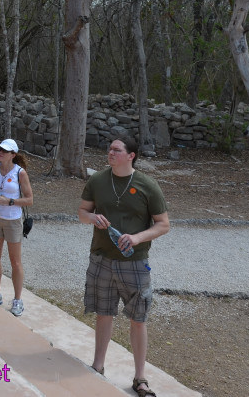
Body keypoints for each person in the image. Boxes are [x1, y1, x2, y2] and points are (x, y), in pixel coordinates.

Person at [77, 137, 170, 397]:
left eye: (117, 150)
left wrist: (137, 237)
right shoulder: (97, 181)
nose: (110, 153)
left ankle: (140, 378)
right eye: (109, 149)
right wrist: (92, 217)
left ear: (131, 155)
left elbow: (163, 224)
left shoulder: (147, 185)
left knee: (138, 320)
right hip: (101, 259)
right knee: (103, 314)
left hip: (135, 263)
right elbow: (82, 212)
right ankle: (98, 366)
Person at [0, 139, 33, 316]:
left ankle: (18, 300)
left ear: (13, 155)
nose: (0, 152)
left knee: (15, 261)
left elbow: (29, 200)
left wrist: (9, 201)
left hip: (13, 221)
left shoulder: (20, 173)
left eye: (4, 150)